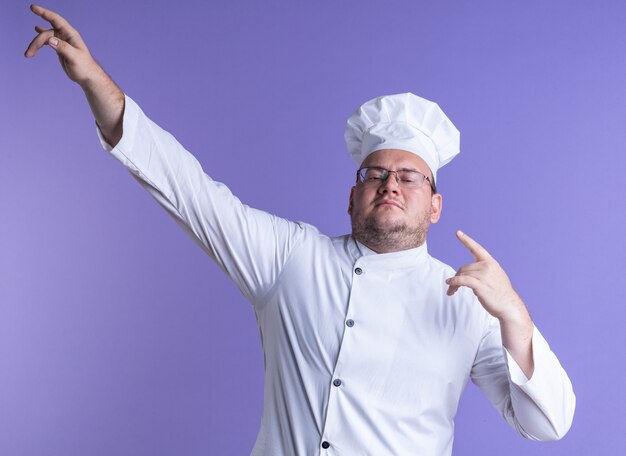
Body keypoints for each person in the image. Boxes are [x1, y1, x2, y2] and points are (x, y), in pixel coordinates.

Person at [25, 5, 575, 455]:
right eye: (375, 174)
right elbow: (189, 191)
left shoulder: (470, 303)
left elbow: (546, 425)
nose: (390, 185)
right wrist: (95, 80)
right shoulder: (291, 259)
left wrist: (515, 317)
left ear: (434, 206)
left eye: (408, 177)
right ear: (352, 195)